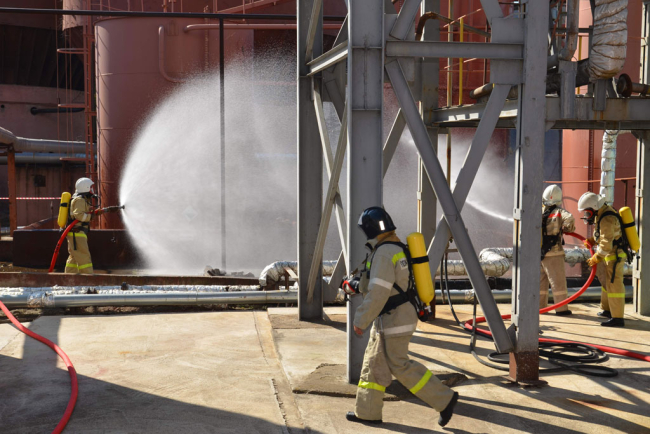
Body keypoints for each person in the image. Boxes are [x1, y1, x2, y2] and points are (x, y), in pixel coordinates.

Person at [345, 206, 458, 427]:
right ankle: (367, 412)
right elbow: (385, 283)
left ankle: (445, 399)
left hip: (394, 319)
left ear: (369, 229)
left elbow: (379, 291)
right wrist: (356, 285)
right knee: (374, 363)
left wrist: (361, 320)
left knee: (399, 365)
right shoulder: (394, 248)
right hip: (392, 316)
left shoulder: (384, 253)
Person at [578, 192, 626, 327]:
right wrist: (592, 240)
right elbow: (602, 234)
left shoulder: (607, 218)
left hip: (614, 256)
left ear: (594, 207)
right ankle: (608, 310)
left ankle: (617, 318)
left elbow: (606, 243)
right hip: (609, 255)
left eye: (587, 213)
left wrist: (597, 257)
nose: (587, 216)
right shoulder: (601, 214)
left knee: (614, 285)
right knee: (606, 282)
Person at [540, 185, 575, 315]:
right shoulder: (559, 212)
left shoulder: (539, 211)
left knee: (540, 282)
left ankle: (540, 307)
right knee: (558, 283)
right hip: (554, 252)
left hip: (539, 252)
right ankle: (561, 310)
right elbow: (570, 219)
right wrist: (567, 228)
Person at [65, 177, 103, 274]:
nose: (92, 189)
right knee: (84, 256)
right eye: (91, 187)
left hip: (75, 233)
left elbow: (81, 213)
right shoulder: (80, 200)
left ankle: (68, 277)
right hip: (77, 233)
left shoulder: (79, 199)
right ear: (86, 187)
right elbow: (79, 215)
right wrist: (91, 217)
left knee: (74, 257)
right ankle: (88, 277)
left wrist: (93, 213)